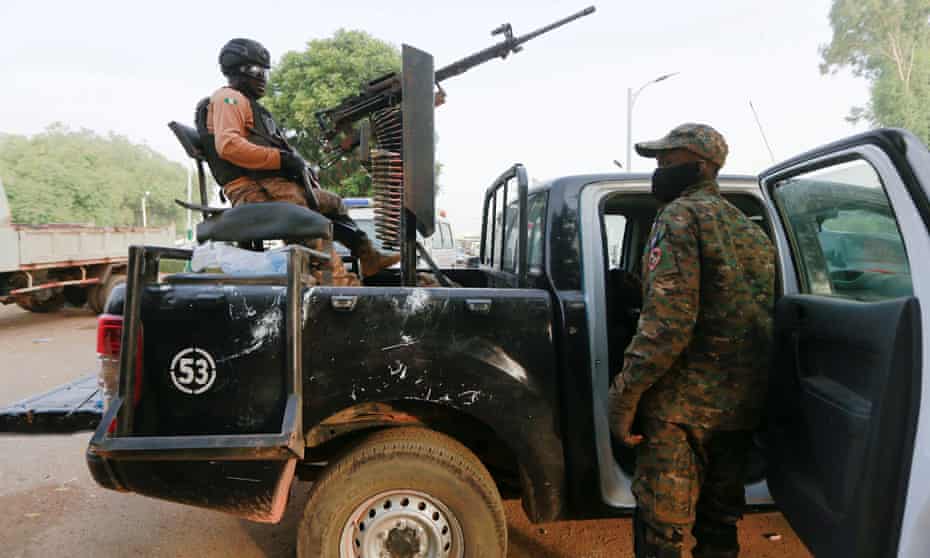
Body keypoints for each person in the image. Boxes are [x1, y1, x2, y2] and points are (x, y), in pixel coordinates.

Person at [608, 123, 776, 558]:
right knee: (719, 523)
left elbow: (667, 325)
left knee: (662, 529)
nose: (659, 170)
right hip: (737, 408)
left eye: (668, 161)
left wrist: (625, 397)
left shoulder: (679, 216)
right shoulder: (750, 231)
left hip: (680, 411)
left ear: (701, 167)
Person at [196, 38, 400, 279]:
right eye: (255, 70)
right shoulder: (228, 98)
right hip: (252, 189)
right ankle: (335, 279)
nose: (262, 77)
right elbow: (229, 146)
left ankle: (369, 257)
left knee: (335, 203)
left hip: (275, 186)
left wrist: (298, 164)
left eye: (264, 71)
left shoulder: (254, 107)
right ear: (235, 71)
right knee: (303, 216)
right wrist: (281, 160)